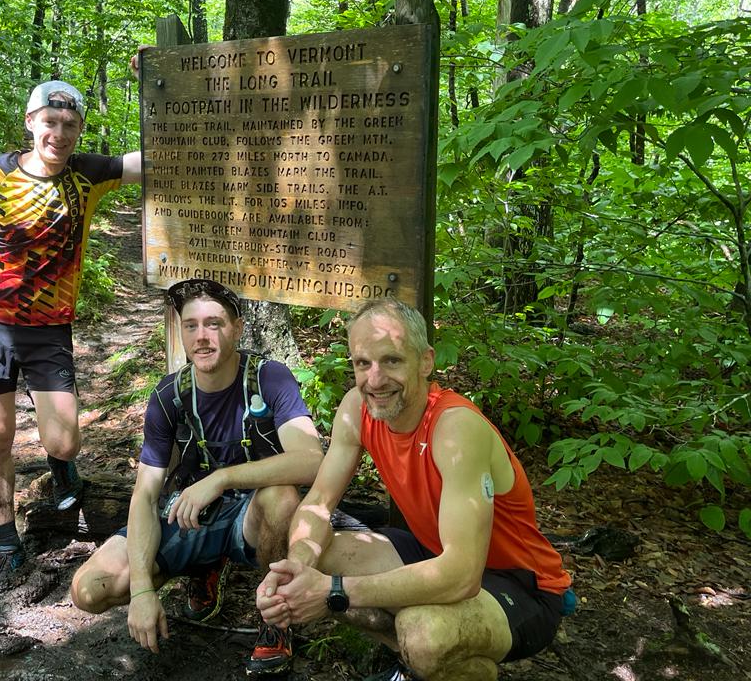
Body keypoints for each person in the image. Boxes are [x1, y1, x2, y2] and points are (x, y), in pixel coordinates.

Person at [256, 299, 572, 681]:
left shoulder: (456, 429)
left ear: (425, 361)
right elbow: (319, 503)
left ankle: (430, 659)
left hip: (521, 582)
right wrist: (298, 569)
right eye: (362, 363)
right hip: (431, 551)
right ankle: (420, 666)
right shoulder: (357, 408)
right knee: (320, 554)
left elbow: (461, 575)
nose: (375, 379)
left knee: (425, 634)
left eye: (391, 361)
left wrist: (333, 591)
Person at [71, 278, 324, 675]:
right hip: (191, 517)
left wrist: (221, 479)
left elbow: (311, 459)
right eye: (191, 326)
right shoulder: (168, 396)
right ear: (180, 332)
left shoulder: (268, 378)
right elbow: (145, 494)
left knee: (282, 496)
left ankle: (276, 618)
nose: (201, 337)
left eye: (214, 324)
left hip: (252, 519)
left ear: (237, 329)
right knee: (88, 590)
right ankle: (202, 567)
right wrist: (141, 589)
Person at [0, 79, 141, 577]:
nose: (60, 133)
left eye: (70, 124)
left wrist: (154, 83)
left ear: (79, 129)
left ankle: (62, 470)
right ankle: (7, 540)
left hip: (49, 329)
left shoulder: (88, 173)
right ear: (31, 121)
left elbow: (156, 156)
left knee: (64, 440)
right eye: (50, 122)